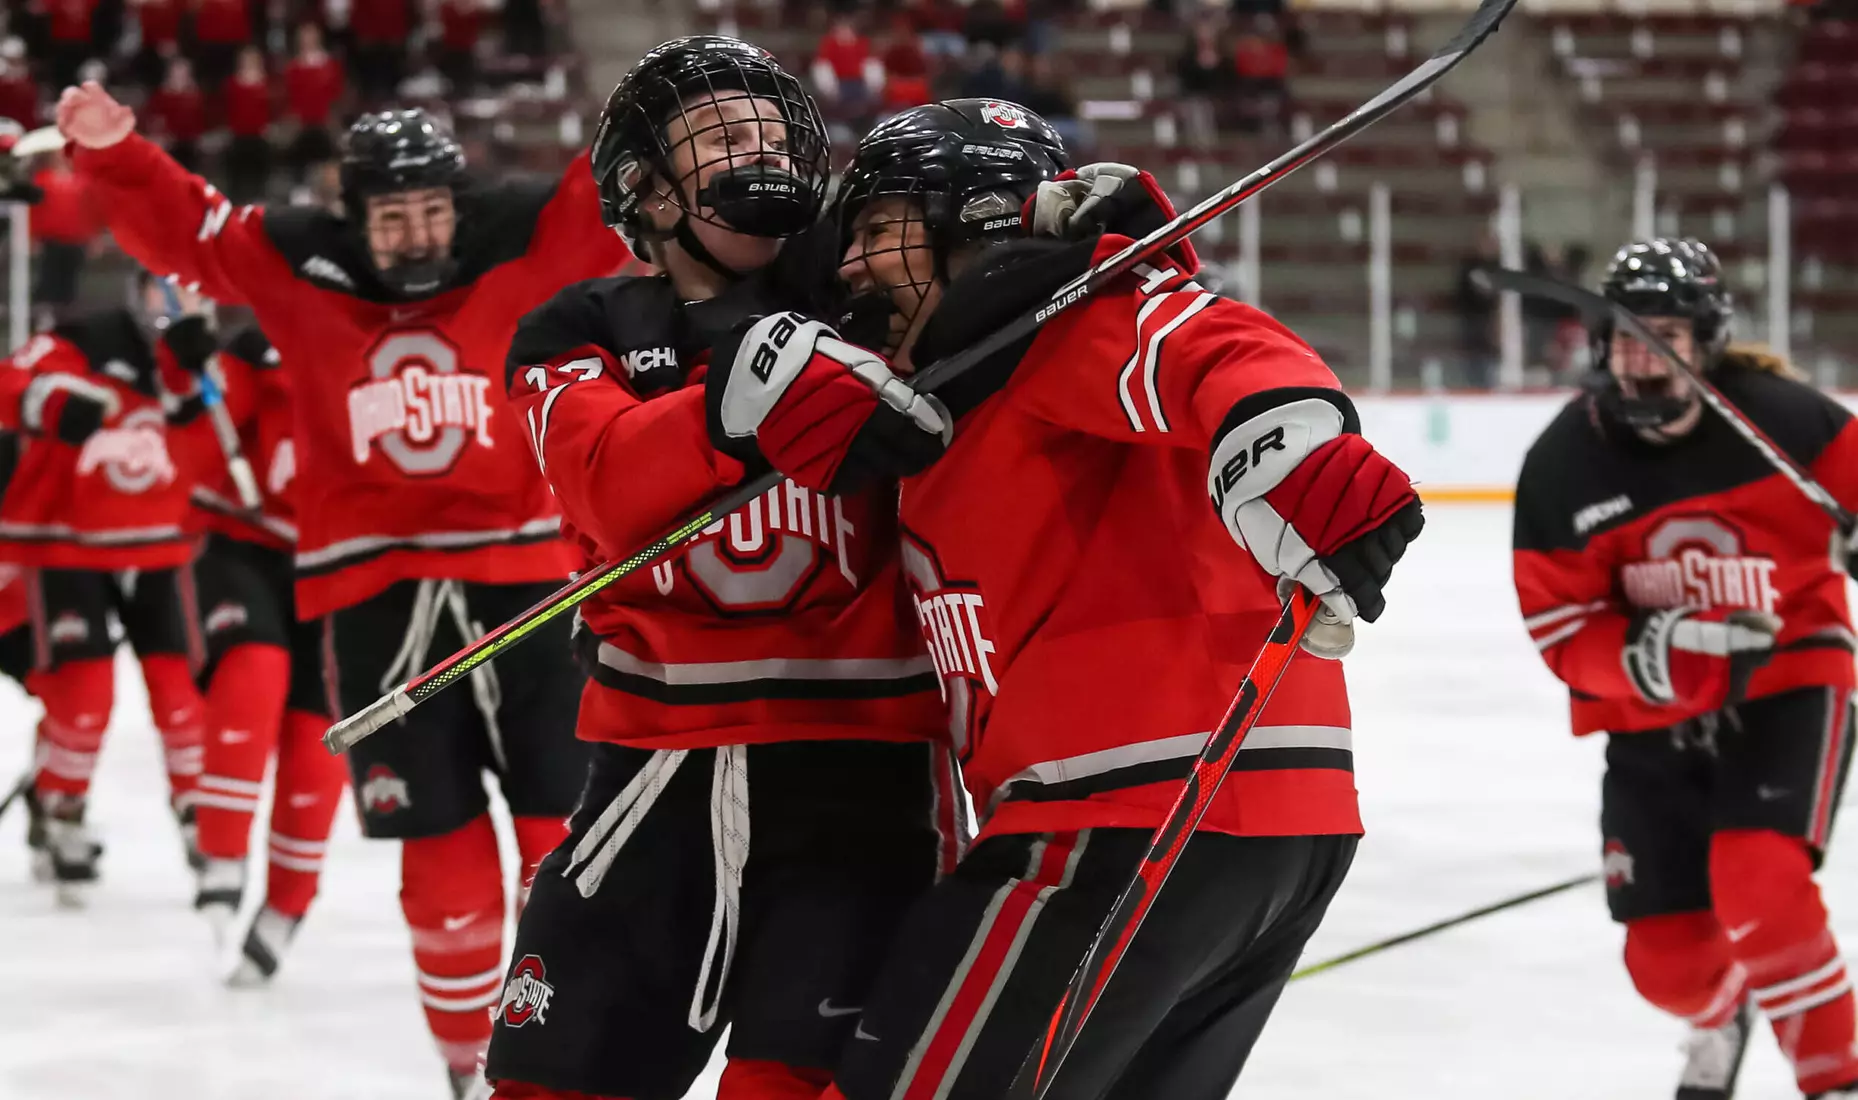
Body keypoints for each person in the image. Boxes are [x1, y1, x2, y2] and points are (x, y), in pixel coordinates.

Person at [709, 99, 1422, 1100]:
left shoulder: (1053, 318)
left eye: (878, 229)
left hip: (1124, 809)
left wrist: (1286, 439)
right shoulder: (958, 383)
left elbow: (1214, 347)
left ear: (978, 219)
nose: (852, 263)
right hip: (1258, 821)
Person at [57, 83, 628, 1098]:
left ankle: (562, 1059)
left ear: (459, 200)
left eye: (429, 209)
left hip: (528, 585)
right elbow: (189, 229)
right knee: (438, 855)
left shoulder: (526, 235)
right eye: (390, 214)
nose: (414, 233)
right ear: (353, 212)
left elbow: (619, 180)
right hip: (370, 597)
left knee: (564, 837)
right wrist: (116, 153)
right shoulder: (293, 259)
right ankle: (471, 1071)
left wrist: (667, 99)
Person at [486, 37, 957, 1100]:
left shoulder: (877, 296)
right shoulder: (578, 325)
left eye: (770, 130)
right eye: (722, 136)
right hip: (651, 770)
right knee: (544, 1083)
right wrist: (731, 400)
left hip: (860, 773)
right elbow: (604, 477)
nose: (762, 151)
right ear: (642, 191)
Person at [1513, 237, 1858, 1100]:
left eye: (1666, 335)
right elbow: (1559, 625)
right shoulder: (1563, 465)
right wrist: (1645, 653)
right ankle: (1723, 1010)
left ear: (1706, 341)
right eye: (1629, 336)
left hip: (1790, 679)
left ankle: (1837, 1075)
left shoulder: (1788, 420)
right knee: (1667, 966)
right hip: (1649, 714)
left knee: (1760, 883)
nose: (1645, 357)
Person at [0, 287, 216, 905]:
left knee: (180, 693)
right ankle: (60, 814)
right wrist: (52, 403)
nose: (170, 305)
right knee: (84, 696)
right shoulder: (86, 335)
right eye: (159, 288)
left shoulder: (198, 352)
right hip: (66, 543)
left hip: (161, 545)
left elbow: (216, 430)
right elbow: (14, 381)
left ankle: (203, 820)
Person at [156, 301, 348, 985]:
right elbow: (190, 446)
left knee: (318, 741)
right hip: (246, 540)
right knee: (254, 669)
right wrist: (184, 376)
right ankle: (221, 851)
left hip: (345, 565)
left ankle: (289, 901)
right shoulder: (256, 346)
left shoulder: (402, 337)